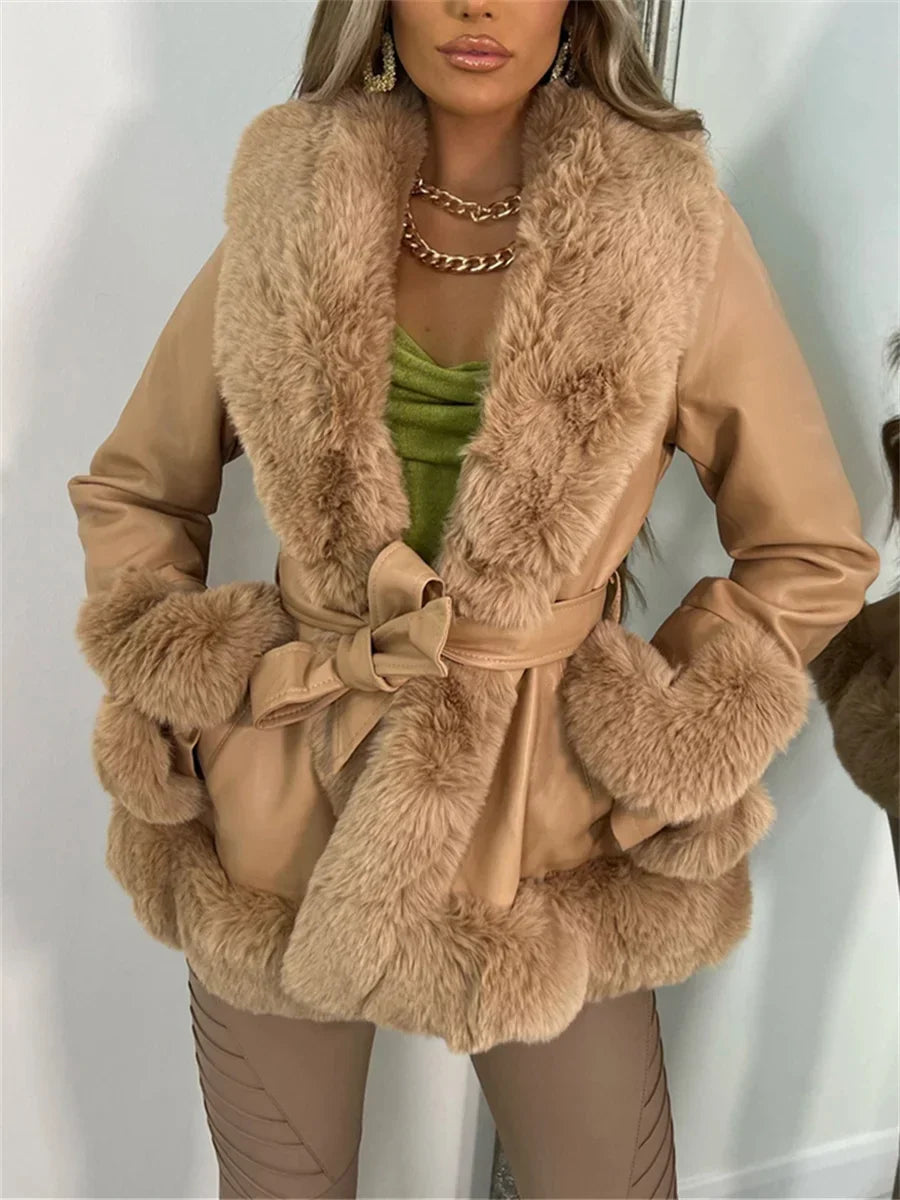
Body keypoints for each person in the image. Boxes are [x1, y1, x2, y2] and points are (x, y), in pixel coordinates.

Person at [67, 2, 881, 1196]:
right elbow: (137, 487)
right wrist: (188, 680)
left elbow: (811, 546)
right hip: (289, 777)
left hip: (547, 804)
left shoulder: (663, 233)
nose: (478, 7)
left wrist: (662, 729)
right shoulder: (296, 207)